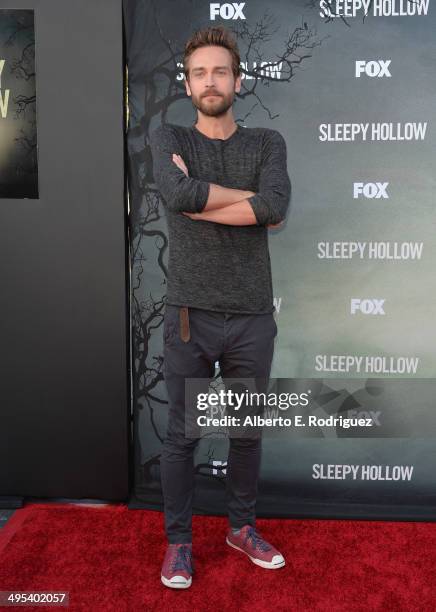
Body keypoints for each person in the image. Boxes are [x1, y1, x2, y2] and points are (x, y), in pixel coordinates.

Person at [149, 25, 291, 589]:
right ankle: (179, 544)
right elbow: (180, 195)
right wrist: (255, 205)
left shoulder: (267, 143)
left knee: (247, 434)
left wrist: (203, 199)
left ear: (238, 79)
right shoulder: (171, 137)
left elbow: (277, 206)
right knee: (182, 436)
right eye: (199, 73)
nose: (210, 81)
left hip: (253, 314)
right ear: (188, 84)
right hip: (191, 313)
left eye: (220, 71)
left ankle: (241, 527)